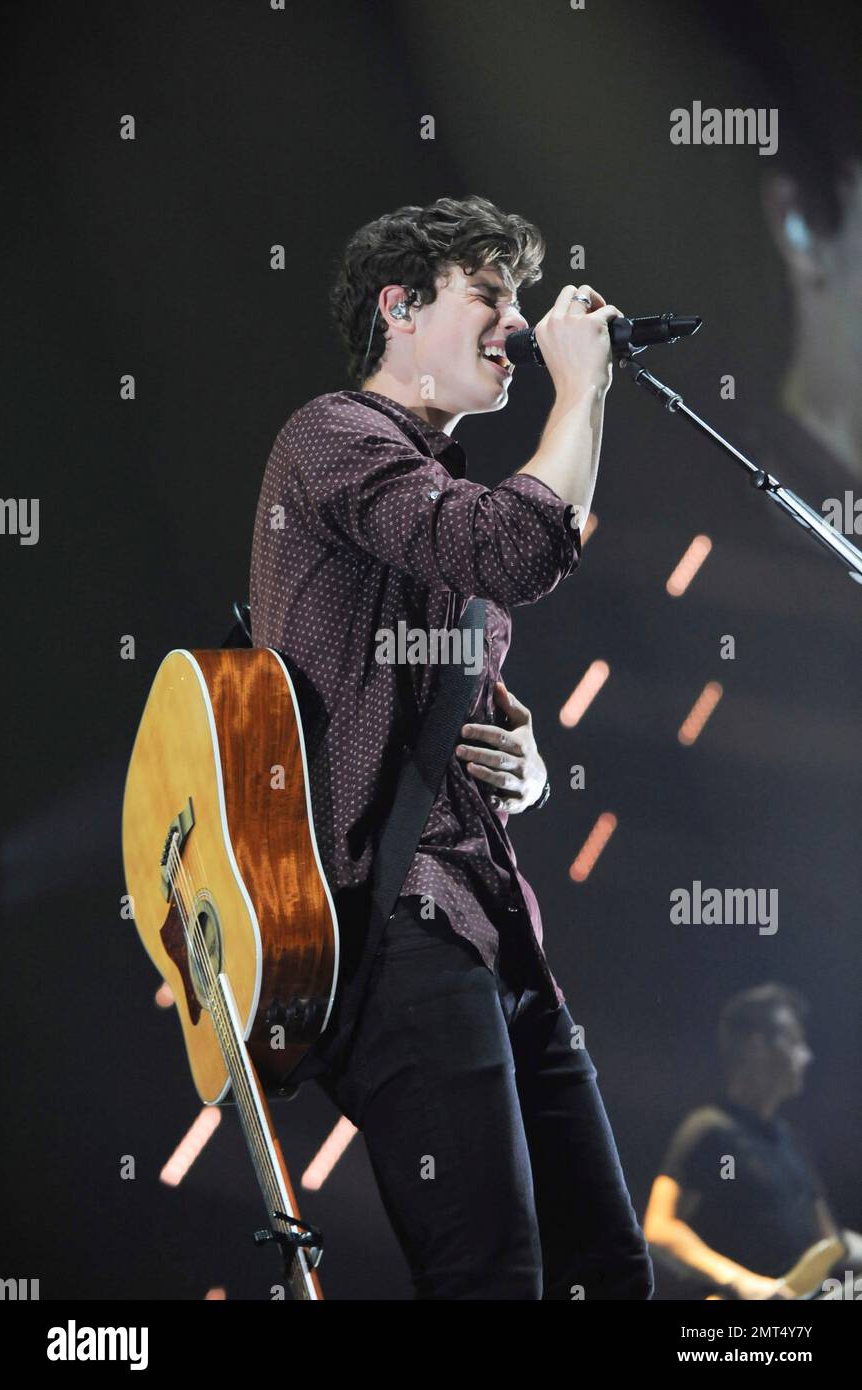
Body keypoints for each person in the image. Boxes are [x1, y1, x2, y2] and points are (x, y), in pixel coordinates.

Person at [249, 194, 653, 1299]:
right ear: (400, 308)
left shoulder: (434, 492)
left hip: (492, 927)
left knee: (607, 1273)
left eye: (519, 301)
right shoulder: (332, 439)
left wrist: (520, 771)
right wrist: (578, 389)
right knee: (493, 1278)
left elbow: (502, 582)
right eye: (489, 295)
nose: (515, 324)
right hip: (402, 925)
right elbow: (516, 549)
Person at [644, 983, 862, 1299]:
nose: (807, 1055)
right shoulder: (709, 1127)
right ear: (757, 1045)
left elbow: (830, 1242)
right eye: (796, 1042)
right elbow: (660, 1227)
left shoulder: (789, 1140)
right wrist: (741, 1282)